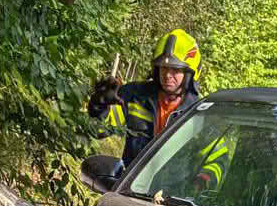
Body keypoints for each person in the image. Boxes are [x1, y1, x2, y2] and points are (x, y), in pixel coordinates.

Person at [88, 29, 231, 188]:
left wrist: (202, 182)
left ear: (190, 74)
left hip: (172, 201)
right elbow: (100, 130)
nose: (167, 75)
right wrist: (98, 105)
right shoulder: (134, 96)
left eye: (176, 70)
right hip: (130, 191)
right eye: (163, 68)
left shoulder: (200, 114)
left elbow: (218, 159)